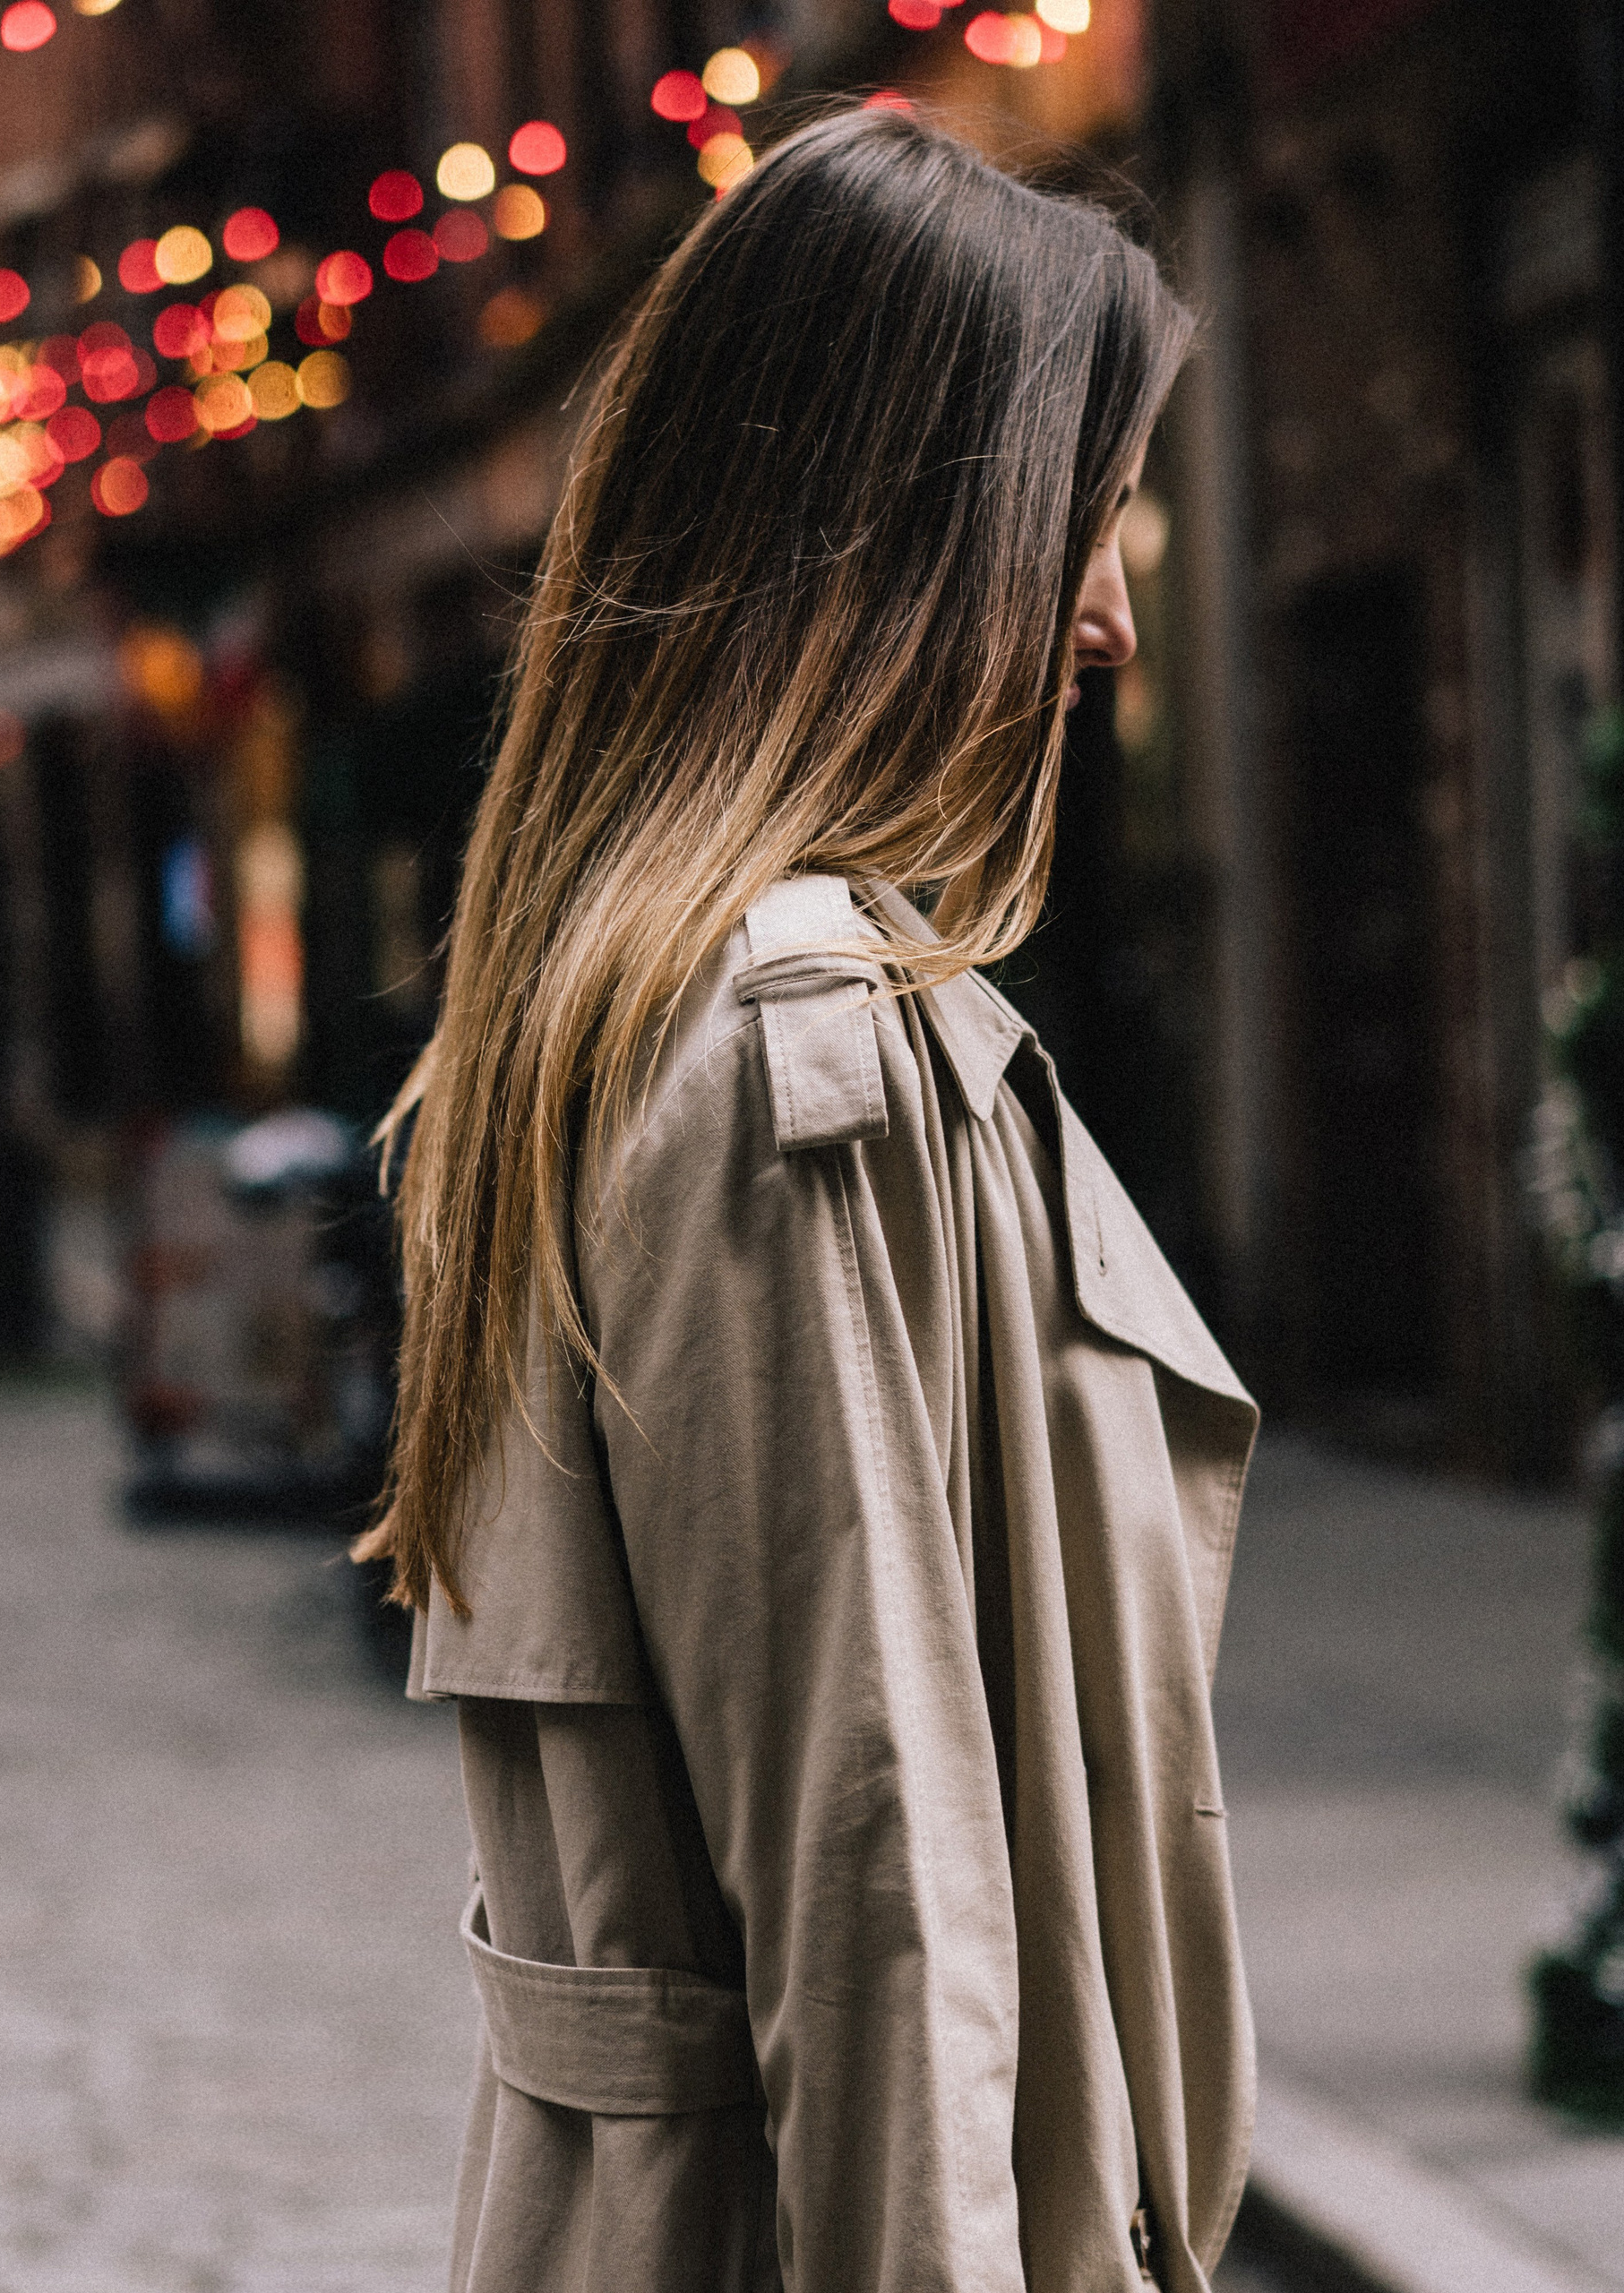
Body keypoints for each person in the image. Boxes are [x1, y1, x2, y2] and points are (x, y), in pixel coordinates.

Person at [353, 108, 1258, 2293]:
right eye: (1084, 521)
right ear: (897, 537)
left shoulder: (639, 1017)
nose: (1114, 615)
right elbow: (877, 1903)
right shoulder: (780, 1067)